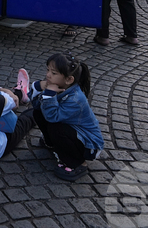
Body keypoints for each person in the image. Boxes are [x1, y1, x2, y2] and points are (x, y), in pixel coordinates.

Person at [28, 53, 104, 181]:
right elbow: (37, 106)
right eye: (48, 70)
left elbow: (52, 116)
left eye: (54, 73)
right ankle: (52, 144)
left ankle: (77, 163)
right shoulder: (57, 86)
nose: (48, 75)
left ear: (69, 80)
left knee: (56, 128)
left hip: (88, 144)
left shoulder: (76, 99)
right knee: (38, 112)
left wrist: (48, 94)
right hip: (72, 129)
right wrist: (38, 87)